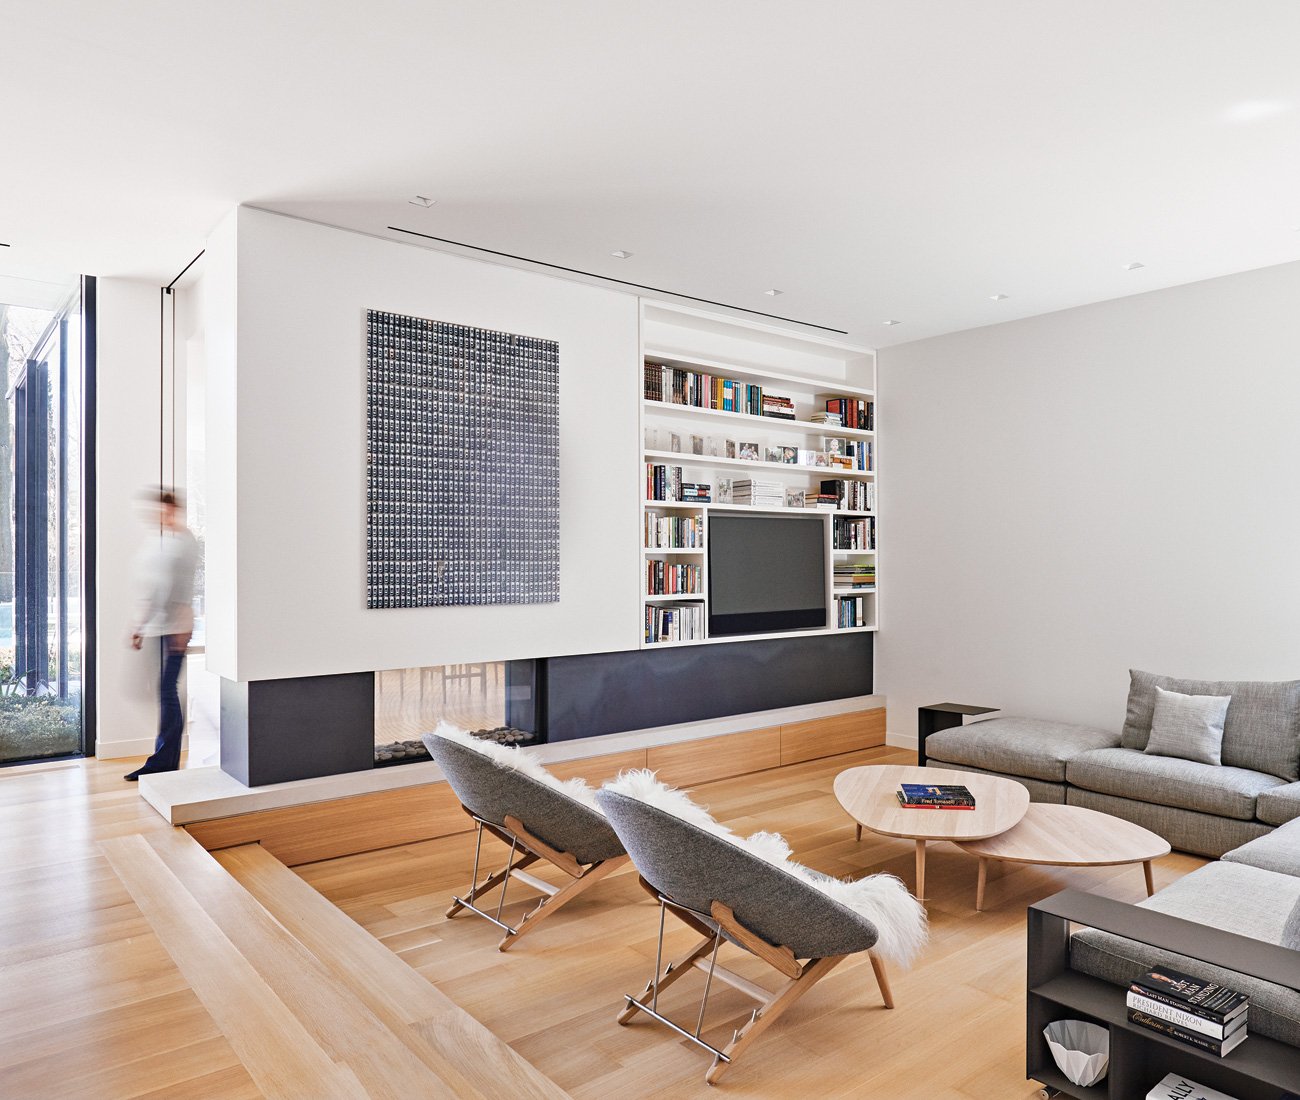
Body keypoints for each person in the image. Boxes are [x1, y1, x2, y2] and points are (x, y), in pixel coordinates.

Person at [124, 490, 200, 781]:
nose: (158, 517)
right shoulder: (160, 542)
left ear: (172, 510)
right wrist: (140, 625)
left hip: (174, 630)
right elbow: (152, 588)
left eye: (162, 511)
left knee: (167, 693)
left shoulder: (184, 542)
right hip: (157, 627)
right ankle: (162, 762)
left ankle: (163, 763)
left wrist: (183, 623)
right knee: (163, 692)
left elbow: (179, 585)